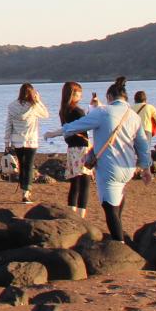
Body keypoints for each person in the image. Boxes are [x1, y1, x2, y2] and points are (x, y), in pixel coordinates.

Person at [43, 75, 152, 242]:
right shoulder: (134, 116)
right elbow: (143, 145)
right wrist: (146, 168)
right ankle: (120, 233)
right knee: (118, 199)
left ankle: (119, 243)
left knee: (109, 208)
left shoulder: (103, 112)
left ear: (109, 97)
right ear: (125, 98)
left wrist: (53, 133)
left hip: (109, 168)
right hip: (128, 169)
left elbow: (74, 127)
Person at [5, 83, 50, 204]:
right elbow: (46, 114)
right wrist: (38, 101)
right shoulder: (34, 106)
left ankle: (23, 190)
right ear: (32, 93)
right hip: (31, 140)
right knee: (29, 165)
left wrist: (6, 141)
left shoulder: (12, 106)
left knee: (22, 165)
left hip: (17, 140)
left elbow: (9, 124)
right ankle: (26, 193)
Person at [57, 81, 91, 217]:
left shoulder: (63, 111)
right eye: (78, 93)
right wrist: (94, 108)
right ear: (72, 94)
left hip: (71, 149)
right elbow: (88, 124)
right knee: (85, 183)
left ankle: (71, 213)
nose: (80, 96)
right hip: (82, 147)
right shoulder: (77, 111)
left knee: (75, 183)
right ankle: (81, 214)